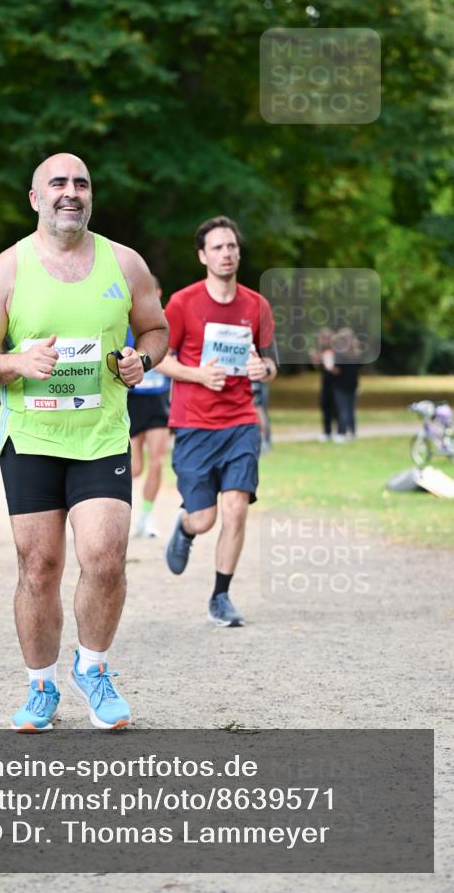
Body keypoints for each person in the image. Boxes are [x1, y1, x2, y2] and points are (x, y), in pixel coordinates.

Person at [0, 152, 168, 731]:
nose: (70, 192)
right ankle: (40, 687)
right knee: (40, 566)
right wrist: (18, 361)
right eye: (57, 183)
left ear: (90, 197)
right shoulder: (5, 271)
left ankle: (94, 667)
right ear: (35, 198)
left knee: (104, 560)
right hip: (30, 437)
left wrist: (142, 360)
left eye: (81, 183)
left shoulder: (124, 264)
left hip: (101, 434)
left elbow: (156, 329)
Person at [157, 215, 277, 627]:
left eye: (231, 246)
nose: (226, 253)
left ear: (238, 252)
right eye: (218, 248)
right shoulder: (182, 302)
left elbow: (270, 360)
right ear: (203, 256)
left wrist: (266, 371)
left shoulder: (256, 305)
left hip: (241, 421)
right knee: (205, 517)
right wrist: (198, 374)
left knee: (237, 508)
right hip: (194, 423)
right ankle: (186, 527)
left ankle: (221, 597)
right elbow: (159, 359)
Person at [126, 275, 171, 538]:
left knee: (157, 463)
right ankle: (120, 514)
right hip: (133, 402)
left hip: (158, 401)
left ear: (159, 292)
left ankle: (146, 518)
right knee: (134, 468)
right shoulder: (126, 323)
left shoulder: (166, 323)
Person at [331, 327, 361, 442]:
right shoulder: (356, 353)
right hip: (353, 385)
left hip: (340, 385)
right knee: (351, 410)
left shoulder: (340, 354)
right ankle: (352, 432)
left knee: (342, 410)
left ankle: (341, 433)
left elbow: (337, 370)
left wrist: (330, 368)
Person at [309, 327, 338, 442]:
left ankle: (338, 431)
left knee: (336, 408)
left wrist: (321, 359)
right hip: (326, 382)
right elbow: (318, 367)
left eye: (324, 339)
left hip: (336, 384)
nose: (322, 341)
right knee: (325, 406)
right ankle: (327, 432)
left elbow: (332, 367)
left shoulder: (335, 351)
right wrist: (315, 359)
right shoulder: (321, 351)